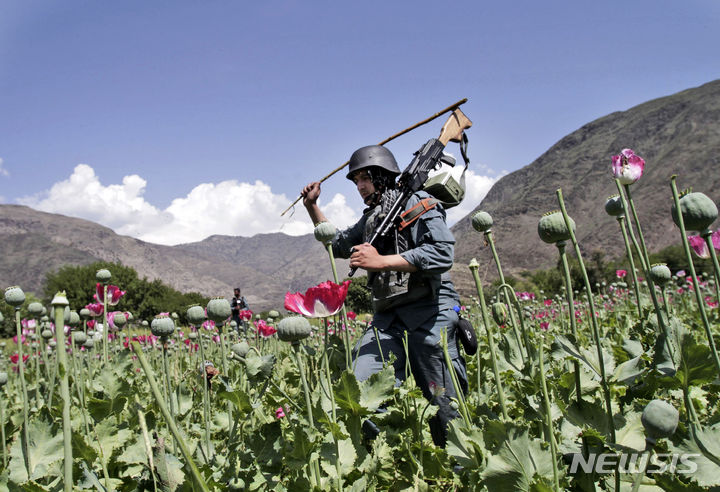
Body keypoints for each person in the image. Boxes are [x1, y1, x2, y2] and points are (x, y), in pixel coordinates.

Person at [301, 144, 467, 447]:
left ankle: (456, 471)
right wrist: (313, 207)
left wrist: (380, 261)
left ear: (382, 175)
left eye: (365, 178)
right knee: (359, 395)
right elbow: (338, 244)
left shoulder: (420, 202)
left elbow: (442, 254)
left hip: (430, 311)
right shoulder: (373, 218)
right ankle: (390, 458)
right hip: (388, 318)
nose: (360, 187)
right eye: (356, 182)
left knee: (445, 406)